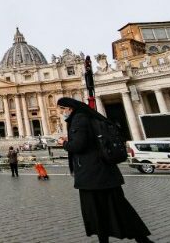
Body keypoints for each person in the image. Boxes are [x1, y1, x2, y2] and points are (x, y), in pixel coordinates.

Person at [57, 97, 153, 243]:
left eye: (62, 109)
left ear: (69, 108)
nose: (62, 112)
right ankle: (142, 240)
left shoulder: (79, 119)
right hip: (106, 173)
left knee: (96, 212)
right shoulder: (90, 117)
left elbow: (78, 146)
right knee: (119, 209)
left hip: (92, 176)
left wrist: (64, 143)